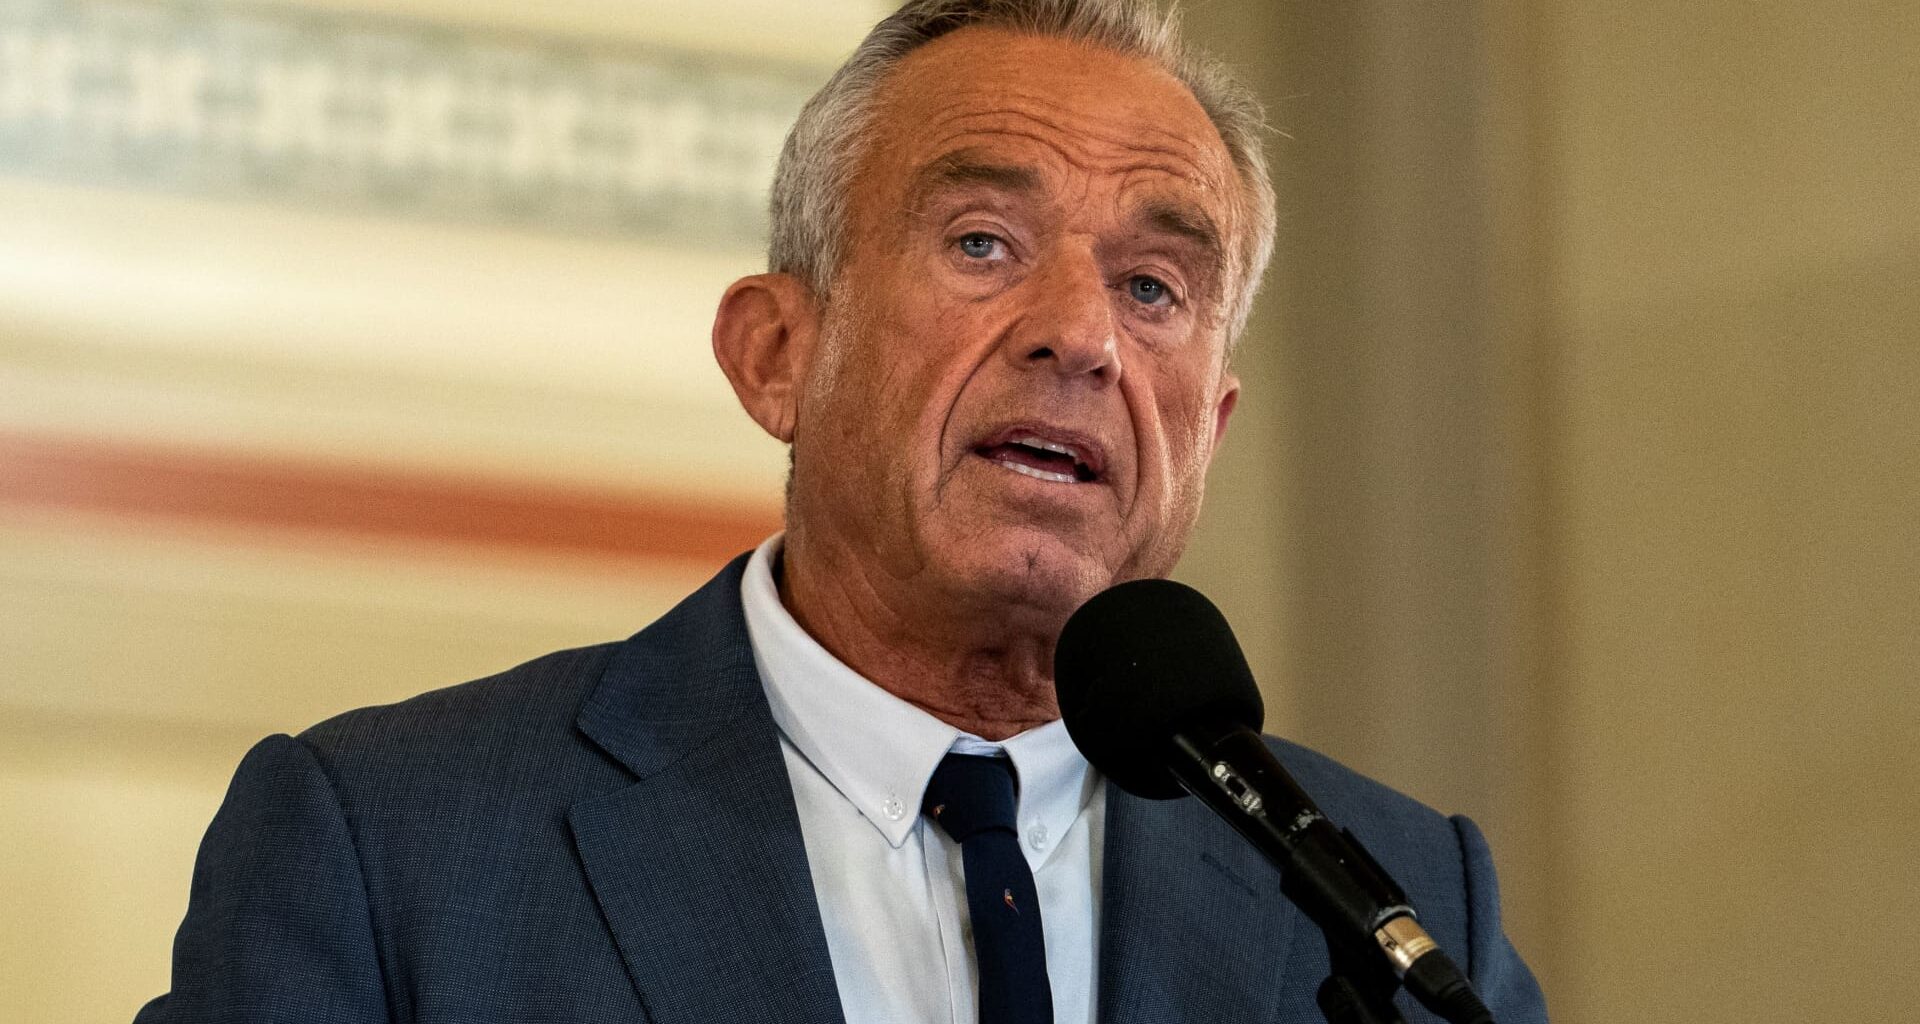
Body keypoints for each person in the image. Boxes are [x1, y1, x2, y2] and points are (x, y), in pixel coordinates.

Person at [137, 1, 1547, 1022]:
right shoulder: (390, 851)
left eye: (1153, 287)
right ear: (776, 356)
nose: (1081, 335)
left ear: (1208, 429)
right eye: (983, 242)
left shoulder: (1402, 903)